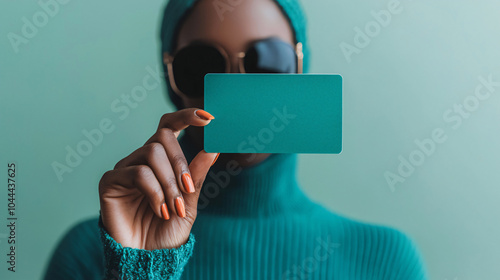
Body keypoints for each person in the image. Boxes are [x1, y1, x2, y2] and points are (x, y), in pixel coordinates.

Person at [44, 0, 428, 279]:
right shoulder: (91, 254)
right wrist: (140, 271)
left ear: (300, 69)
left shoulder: (384, 260)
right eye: (202, 65)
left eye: (267, 61)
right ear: (173, 81)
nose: (236, 86)